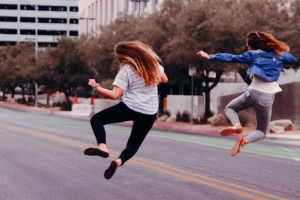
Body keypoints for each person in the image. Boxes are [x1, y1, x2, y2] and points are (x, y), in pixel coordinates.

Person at [197, 32, 297, 156]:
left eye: (248, 46)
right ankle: (244, 141)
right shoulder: (278, 54)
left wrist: (210, 56)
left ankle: (237, 125)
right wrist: (278, 50)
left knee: (230, 108)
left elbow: (231, 58)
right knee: (261, 131)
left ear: (251, 46)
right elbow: (293, 60)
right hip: (266, 98)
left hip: (252, 93)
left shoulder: (252, 54)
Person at [85, 41, 168, 179]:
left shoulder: (127, 70)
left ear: (124, 57)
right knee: (133, 145)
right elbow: (164, 80)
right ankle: (118, 162)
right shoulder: (153, 64)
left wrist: (96, 86)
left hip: (131, 107)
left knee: (96, 119)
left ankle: (102, 147)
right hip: (149, 112)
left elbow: (114, 95)